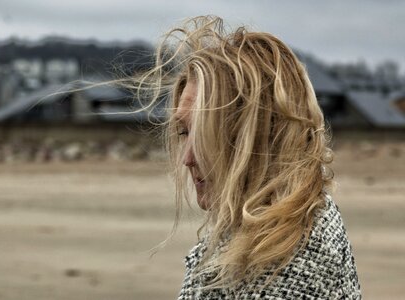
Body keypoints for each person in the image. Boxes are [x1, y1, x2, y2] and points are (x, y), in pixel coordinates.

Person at [128, 15, 362, 299]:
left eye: (204, 135)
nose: (187, 158)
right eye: (183, 133)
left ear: (261, 137)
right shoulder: (276, 227)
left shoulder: (287, 265)